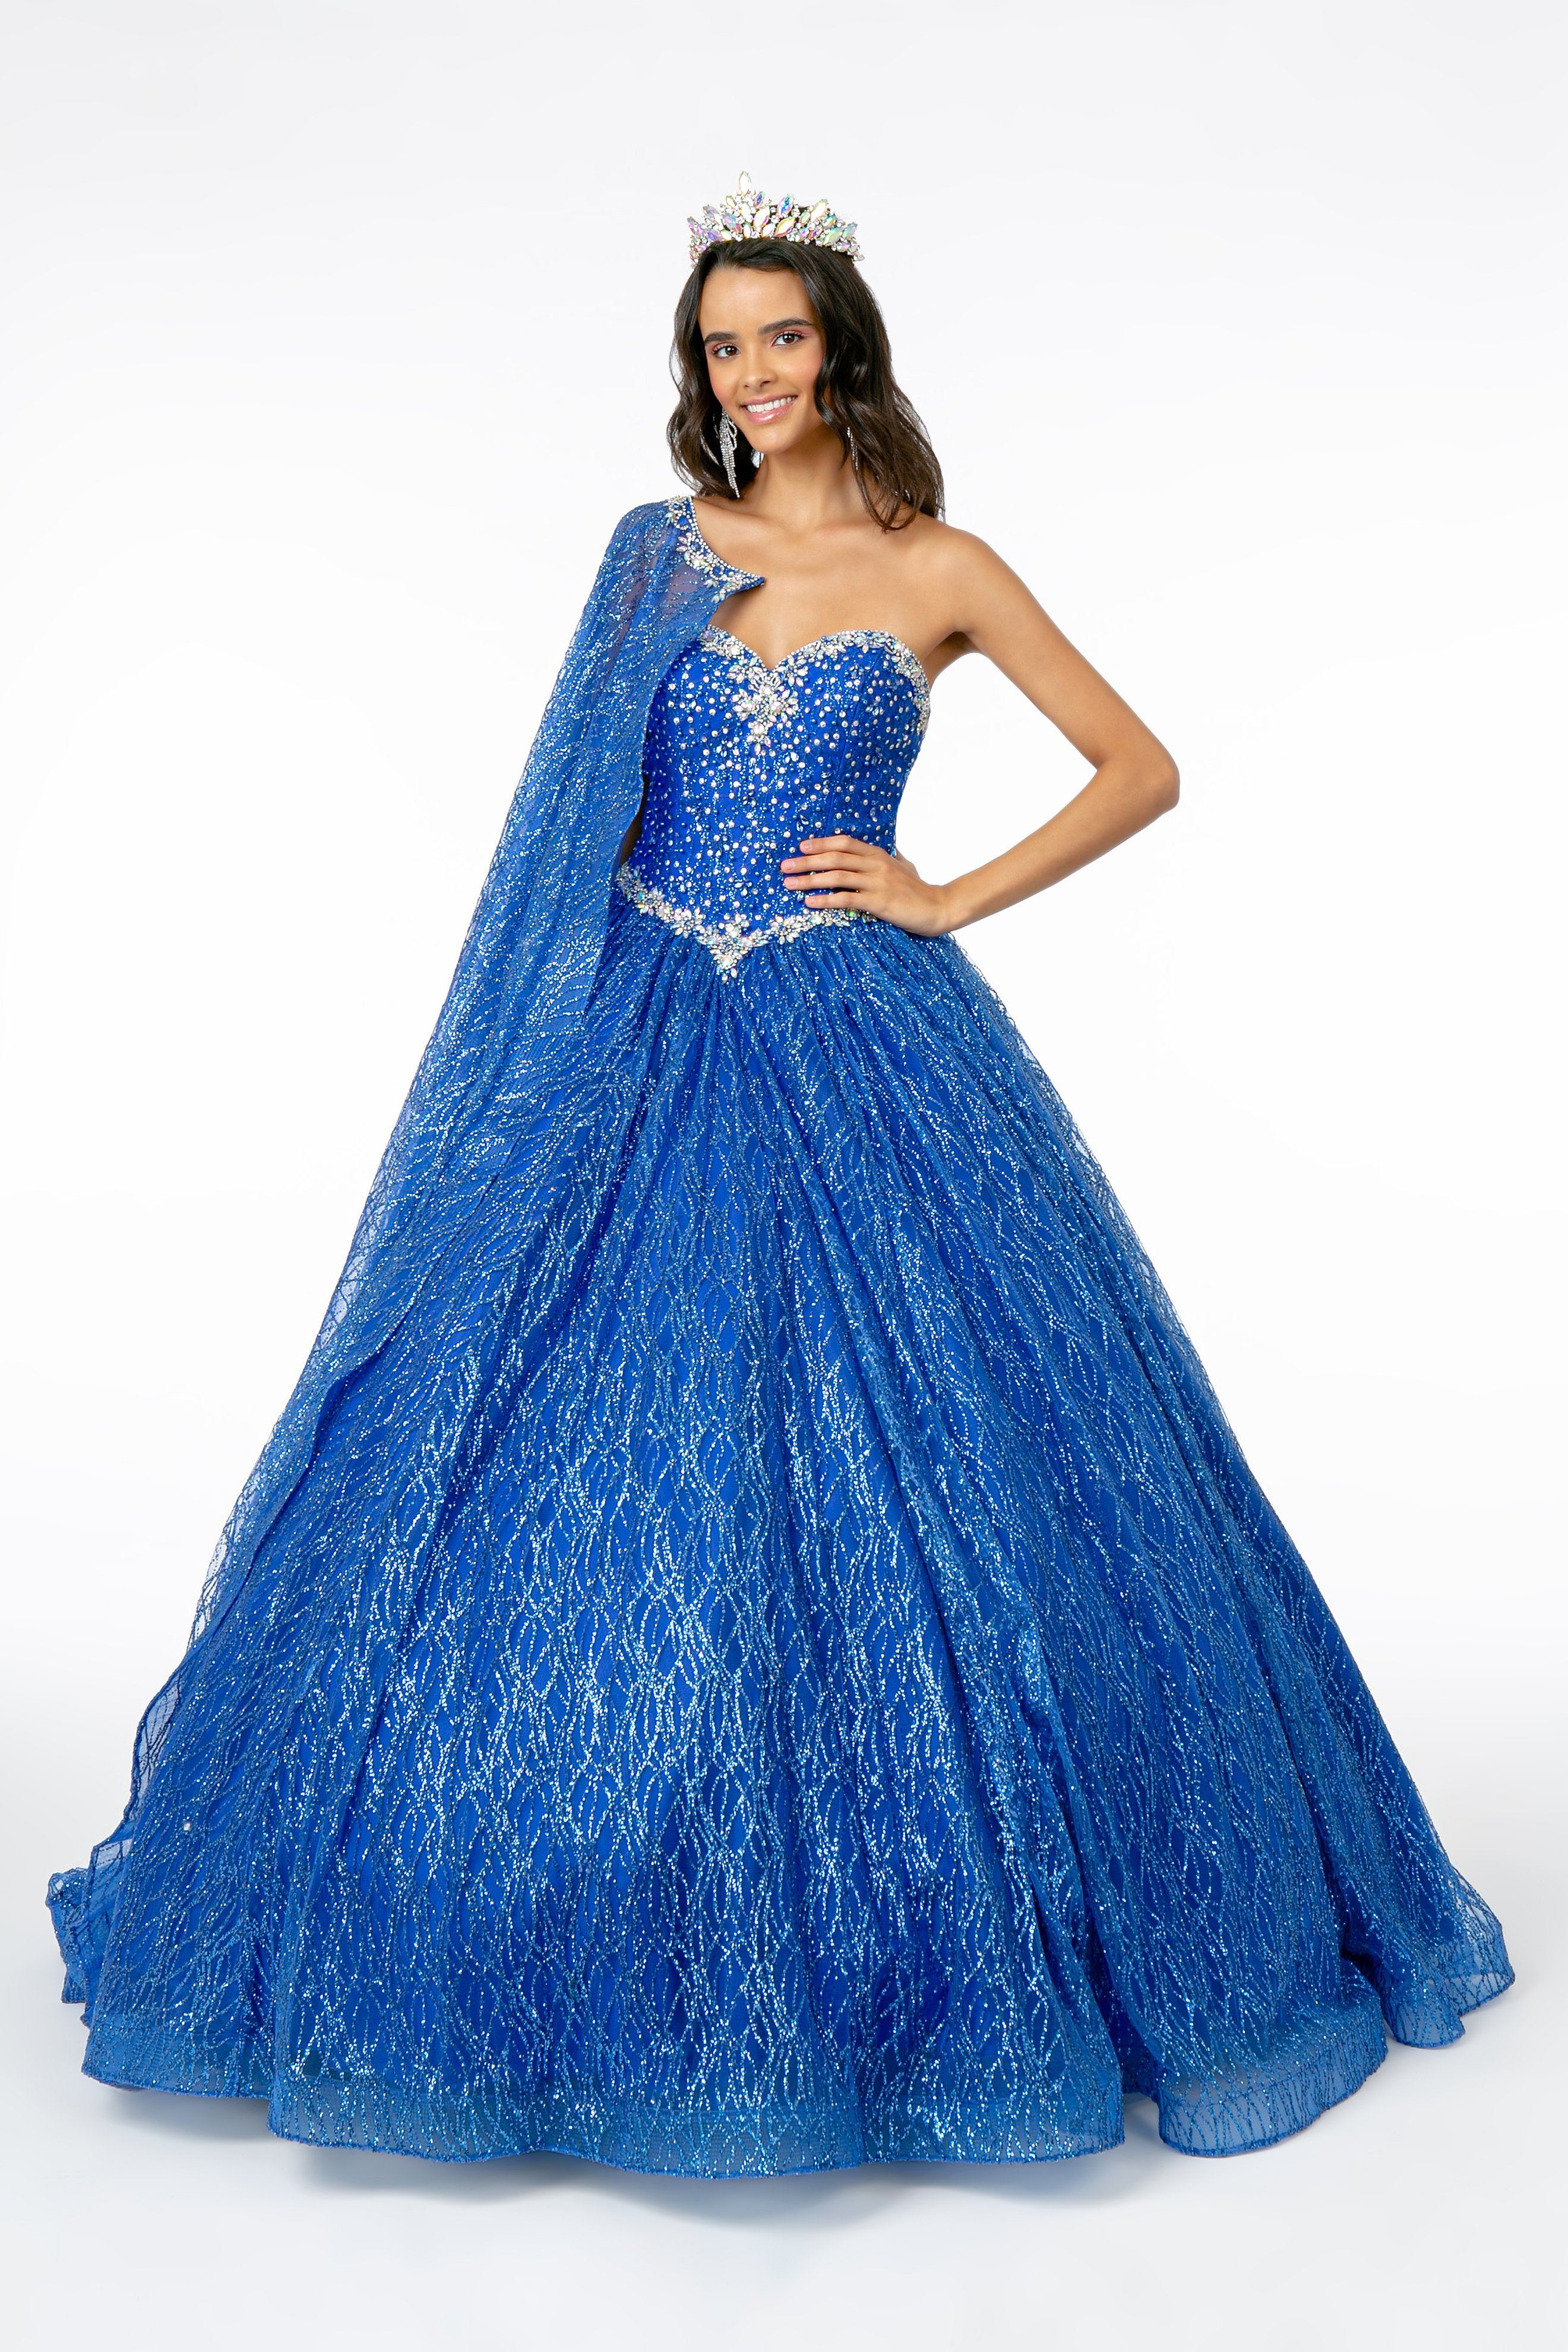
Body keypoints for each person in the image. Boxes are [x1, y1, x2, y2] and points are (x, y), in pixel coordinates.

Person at [48, 173, 1510, 2175]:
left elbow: (1140, 766)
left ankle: (925, 1940)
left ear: (842, 349)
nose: (750, 374)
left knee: (965, 1459)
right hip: (641, 1024)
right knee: (560, 1449)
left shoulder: (943, 567)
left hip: (860, 1030)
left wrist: (944, 893)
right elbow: (564, 823)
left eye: (780, 337)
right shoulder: (654, 554)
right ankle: (571, 1917)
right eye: (721, 346)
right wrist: (539, 1067)